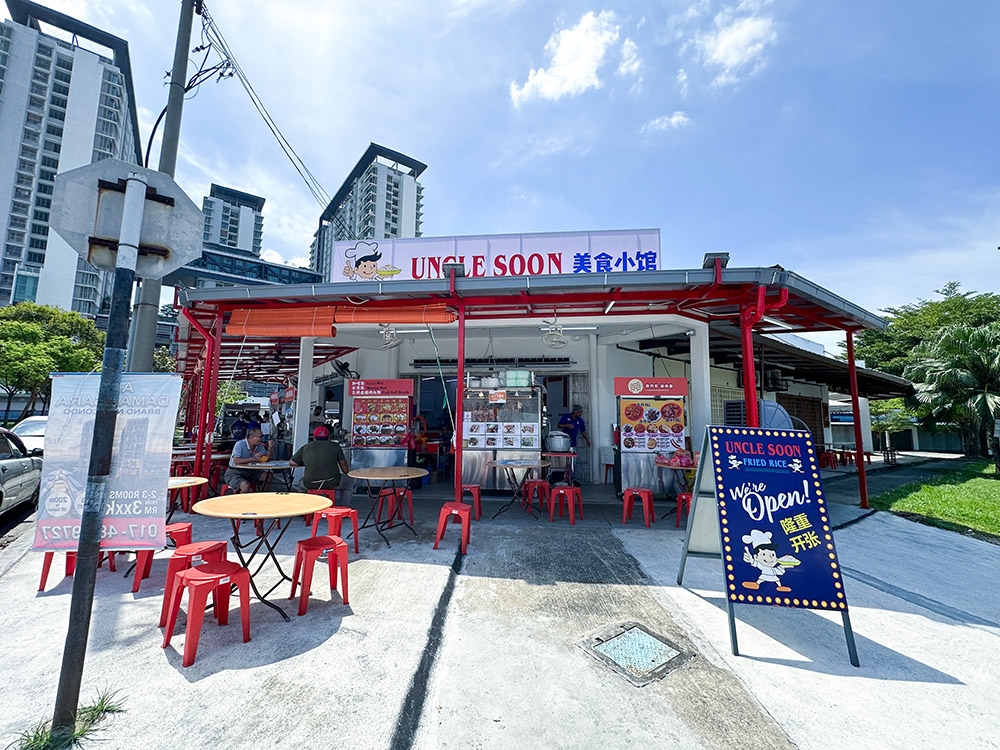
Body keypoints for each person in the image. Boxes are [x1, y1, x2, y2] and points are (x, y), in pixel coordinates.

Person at [289, 425, 353, 504]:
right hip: (332, 482)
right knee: (349, 482)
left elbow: (292, 462)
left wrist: (305, 462)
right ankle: (342, 507)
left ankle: (304, 508)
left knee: (301, 484)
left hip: (310, 483)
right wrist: (347, 473)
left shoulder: (306, 447)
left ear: (314, 437)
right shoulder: (335, 446)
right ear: (328, 436)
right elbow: (343, 464)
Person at [224, 428, 268, 493]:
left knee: (268, 476)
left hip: (251, 472)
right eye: (260, 437)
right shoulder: (240, 444)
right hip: (235, 472)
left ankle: (261, 497)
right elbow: (236, 461)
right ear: (251, 437)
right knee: (245, 485)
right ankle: (242, 502)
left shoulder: (259, 446)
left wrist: (270, 448)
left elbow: (266, 456)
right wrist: (253, 459)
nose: (261, 439)